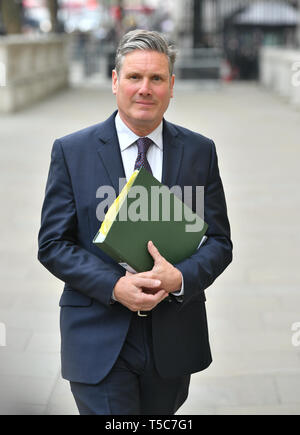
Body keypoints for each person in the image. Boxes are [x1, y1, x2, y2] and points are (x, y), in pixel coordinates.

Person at [38, 29, 232, 415]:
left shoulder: (199, 151)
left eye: (156, 78)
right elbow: (53, 244)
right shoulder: (72, 151)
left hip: (173, 339)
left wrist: (180, 278)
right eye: (134, 77)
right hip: (98, 332)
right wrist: (114, 285)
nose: (145, 88)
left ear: (171, 86)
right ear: (115, 82)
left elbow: (219, 242)